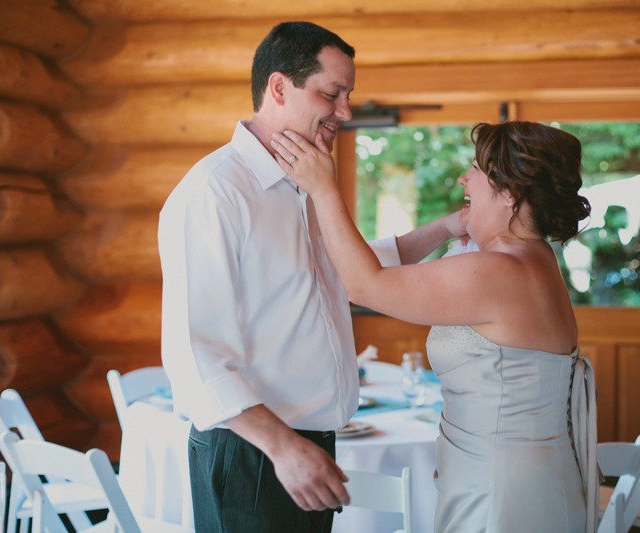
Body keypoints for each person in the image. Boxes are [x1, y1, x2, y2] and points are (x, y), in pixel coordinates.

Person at [157, 21, 465, 533]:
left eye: (348, 95)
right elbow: (193, 356)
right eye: (331, 94)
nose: (344, 112)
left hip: (310, 444)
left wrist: (451, 226)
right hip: (255, 451)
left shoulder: (306, 182)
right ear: (278, 88)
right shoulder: (213, 193)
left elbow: (355, 269)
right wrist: (283, 447)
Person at [271, 120, 600, 532]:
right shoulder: (533, 258)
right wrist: (448, 226)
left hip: (503, 489)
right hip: (512, 473)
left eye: (477, 169)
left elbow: (363, 285)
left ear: (511, 194)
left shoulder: (498, 271)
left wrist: (323, 190)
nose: (465, 177)